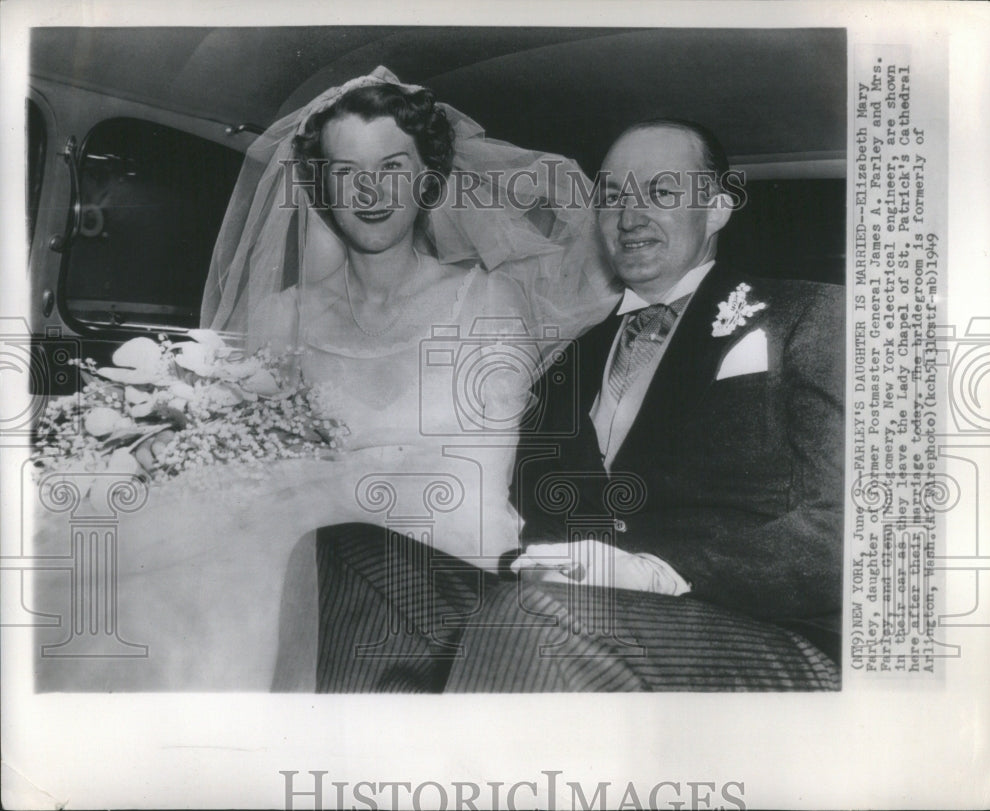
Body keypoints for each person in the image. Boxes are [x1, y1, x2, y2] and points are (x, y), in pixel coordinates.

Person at [32, 67, 619, 691]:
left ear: (427, 178)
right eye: (346, 172)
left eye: (392, 167)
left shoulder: (488, 301)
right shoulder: (284, 314)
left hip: (441, 562)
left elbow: (473, 479)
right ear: (322, 185)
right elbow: (251, 459)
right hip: (291, 547)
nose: (370, 191)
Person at [443, 120, 845, 691]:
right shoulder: (566, 358)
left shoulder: (814, 315)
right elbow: (532, 509)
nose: (629, 218)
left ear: (718, 209)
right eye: (611, 197)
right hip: (580, 611)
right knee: (360, 562)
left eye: (659, 193)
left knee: (535, 618)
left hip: (764, 626)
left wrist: (659, 573)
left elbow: (854, 524)